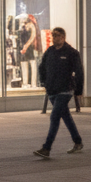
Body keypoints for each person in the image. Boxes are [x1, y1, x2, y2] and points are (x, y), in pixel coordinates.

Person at [34, 27, 83, 157]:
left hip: (65, 90)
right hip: (52, 90)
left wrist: (78, 90)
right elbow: (42, 67)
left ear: (63, 37)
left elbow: (79, 72)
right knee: (65, 116)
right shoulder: (49, 52)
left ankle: (47, 148)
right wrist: (44, 82)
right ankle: (78, 142)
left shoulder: (71, 53)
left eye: (57, 36)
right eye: (53, 36)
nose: (55, 38)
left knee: (54, 116)